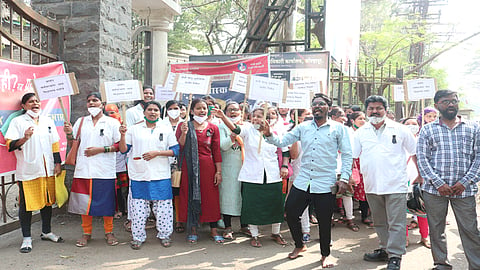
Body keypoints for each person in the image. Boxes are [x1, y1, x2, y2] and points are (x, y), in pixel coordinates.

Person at [263, 93, 352, 268]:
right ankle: (299, 245)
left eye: (321, 104)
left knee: (325, 220)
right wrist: (269, 134)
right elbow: (283, 141)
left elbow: (347, 154)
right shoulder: (302, 127)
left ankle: (325, 254)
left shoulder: (338, 129)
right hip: (303, 180)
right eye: (314, 104)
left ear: (329, 107)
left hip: (325, 181)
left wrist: (344, 177)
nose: (317, 106)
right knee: (290, 212)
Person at [353, 95, 419, 270]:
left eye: (379, 108)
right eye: (371, 108)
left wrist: (419, 175)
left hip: (395, 184)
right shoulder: (360, 132)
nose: (375, 111)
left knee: (396, 222)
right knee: (380, 221)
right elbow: (352, 156)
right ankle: (384, 249)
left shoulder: (400, 129)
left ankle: (395, 256)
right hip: (372, 184)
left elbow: (414, 152)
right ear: (366, 111)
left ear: (385, 110)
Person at [417, 90, 480, 270]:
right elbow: (422, 158)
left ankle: (476, 265)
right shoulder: (428, 129)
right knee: (436, 230)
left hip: (465, 190)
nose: (451, 104)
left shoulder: (473, 127)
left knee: (470, 230)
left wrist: (465, 182)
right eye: (446, 102)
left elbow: (478, 157)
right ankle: (441, 264)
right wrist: (438, 184)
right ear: (437, 105)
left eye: (454, 101)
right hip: (435, 191)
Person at [5, 93, 64, 253]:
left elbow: (54, 144)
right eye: (31, 102)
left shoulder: (47, 120)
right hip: (29, 170)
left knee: (47, 201)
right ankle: (26, 238)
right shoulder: (17, 122)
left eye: (37, 101)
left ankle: (46, 232)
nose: (35, 104)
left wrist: (57, 163)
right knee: (27, 204)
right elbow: (10, 144)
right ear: (23, 106)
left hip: (48, 169)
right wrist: (25, 138)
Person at [119, 101, 179, 250]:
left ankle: (165, 235)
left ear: (160, 113)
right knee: (138, 209)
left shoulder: (166, 129)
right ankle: (138, 237)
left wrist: (157, 153)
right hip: (139, 174)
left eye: (156, 110)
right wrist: (122, 135)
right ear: (144, 112)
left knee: (164, 208)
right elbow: (123, 150)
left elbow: (176, 150)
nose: (153, 112)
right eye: (150, 109)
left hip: (161, 175)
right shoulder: (134, 130)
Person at [64, 92, 121, 248]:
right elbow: (73, 144)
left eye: (95, 100)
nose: (91, 103)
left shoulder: (112, 123)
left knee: (107, 203)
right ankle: (86, 233)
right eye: (89, 101)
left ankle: (109, 232)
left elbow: (119, 146)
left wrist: (100, 149)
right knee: (84, 203)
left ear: (102, 104)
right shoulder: (81, 122)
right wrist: (68, 133)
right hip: (84, 169)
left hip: (105, 170)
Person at [237, 107, 287, 248]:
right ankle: (254, 235)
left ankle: (276, 233)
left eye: (261, 116)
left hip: (272, 174)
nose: (257, 119)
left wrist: (284, 166)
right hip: (252, 175)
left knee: (275, 204)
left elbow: (285, 150)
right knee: (252, 205)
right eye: (255, 116)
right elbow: (236, 131)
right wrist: (223, 117)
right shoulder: (247, 130)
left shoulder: (277, 132)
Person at [175, 98, 224, 244]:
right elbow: (180, 146)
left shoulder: (213, 128)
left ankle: (213, 229)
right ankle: (193, 229)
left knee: (211, 198)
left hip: (208, 168)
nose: (202, 111)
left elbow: (216, 151)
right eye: (198, 108)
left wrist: (218, 171)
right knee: (189, 196)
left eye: (204, 108)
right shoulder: (183, 125)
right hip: (188, 167)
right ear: (191, 111)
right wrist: (184, 133)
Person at [217, 101, 250, 240]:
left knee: (245, 195)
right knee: (228, 196)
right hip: (228, 166)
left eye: (236, 110)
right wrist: (232, 135)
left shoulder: (247, 126)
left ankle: (244, 225)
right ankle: (228, 227)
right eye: (230, 110)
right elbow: (223, 146)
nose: (233, 112)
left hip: (246, 166)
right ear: (225, 112)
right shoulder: (221, 127)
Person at [400, 117, 430, 248]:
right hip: (401, 180)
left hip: (419, 181)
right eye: (408, 124)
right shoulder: (398, 141)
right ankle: (404, 237)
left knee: (422, 211)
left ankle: (424, 237)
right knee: (401, 212)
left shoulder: (422, 141)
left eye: (414, 124)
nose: (411, 126)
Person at [287, 108, 313, 242]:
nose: (310, 117)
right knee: (299, 204)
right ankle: (303, 231)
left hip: (317, 173)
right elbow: (294, 155)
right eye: (306, 115)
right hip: (298, 172)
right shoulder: (292, 132)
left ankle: (311, 230)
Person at [330, 107, 358, 232]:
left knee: (347, 194)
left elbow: (351, 152)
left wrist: (349, 172)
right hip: (330, 169)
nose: (344, 118)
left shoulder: (348, 131)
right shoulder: (327, 130)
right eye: (340, 115)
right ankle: (329, 219)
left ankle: (349, 218)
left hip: (344, 169)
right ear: (332, 117)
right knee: (329, 196)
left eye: (344, 115)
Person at [162, 100, 185, 234]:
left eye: (176, 108)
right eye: (170, 108)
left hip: (181, 162)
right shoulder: (160, 124)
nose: (173, 110)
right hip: (164, 161)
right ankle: (164, 220)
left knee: (178, 192)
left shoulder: (186, 123)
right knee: (166, 192)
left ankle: (179, 220)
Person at [346, 112, 373, 227]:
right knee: (357, 189)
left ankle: (366, 215)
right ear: (352, 120)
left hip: (368, 162)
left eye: (364, 118)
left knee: (368, 188)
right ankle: (354, 215)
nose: (363, 120)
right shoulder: (348, 132)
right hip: (355, 163)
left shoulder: (369, 131)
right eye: (359, 118)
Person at [104, 104, 128, 220]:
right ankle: (116, 209)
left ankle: (126, 209)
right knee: (114, 189)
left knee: (125, 189)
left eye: (113, 112)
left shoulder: (124, 124)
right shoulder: (104, 124)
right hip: (108, 161)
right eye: (108, 112)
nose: (111, 115)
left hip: (123, 162)